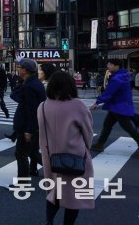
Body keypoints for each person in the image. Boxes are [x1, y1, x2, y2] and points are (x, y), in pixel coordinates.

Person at [37, 71, 94, 225]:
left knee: (54, 194)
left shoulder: (43, 106)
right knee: (74, 197)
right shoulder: (78, 105)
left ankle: (49, 221)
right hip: (75, 157)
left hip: (52, 159)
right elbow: (88, 133)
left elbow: (42, 136)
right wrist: (86, 150)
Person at [90, 59, 139, 157]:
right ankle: (99, 144)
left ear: (117, 66)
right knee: (107, 124)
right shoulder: (123, 75)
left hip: (119, 106)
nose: (108, 66)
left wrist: (97, 102)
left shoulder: (117, 78)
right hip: (118, 105)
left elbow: (109, 92)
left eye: (110, 65)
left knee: (127, 127)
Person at [10, 58, 46, 188]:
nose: (18, 70)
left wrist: (29, 130)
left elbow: (32, 110)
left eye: (19, 68)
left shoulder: (30, 86)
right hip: (32, 125)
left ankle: (23, 182)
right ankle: (53, 170)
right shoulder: (34, 83)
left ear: (24, 70)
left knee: (21, 154)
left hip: (27, 125)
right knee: (32, 153)